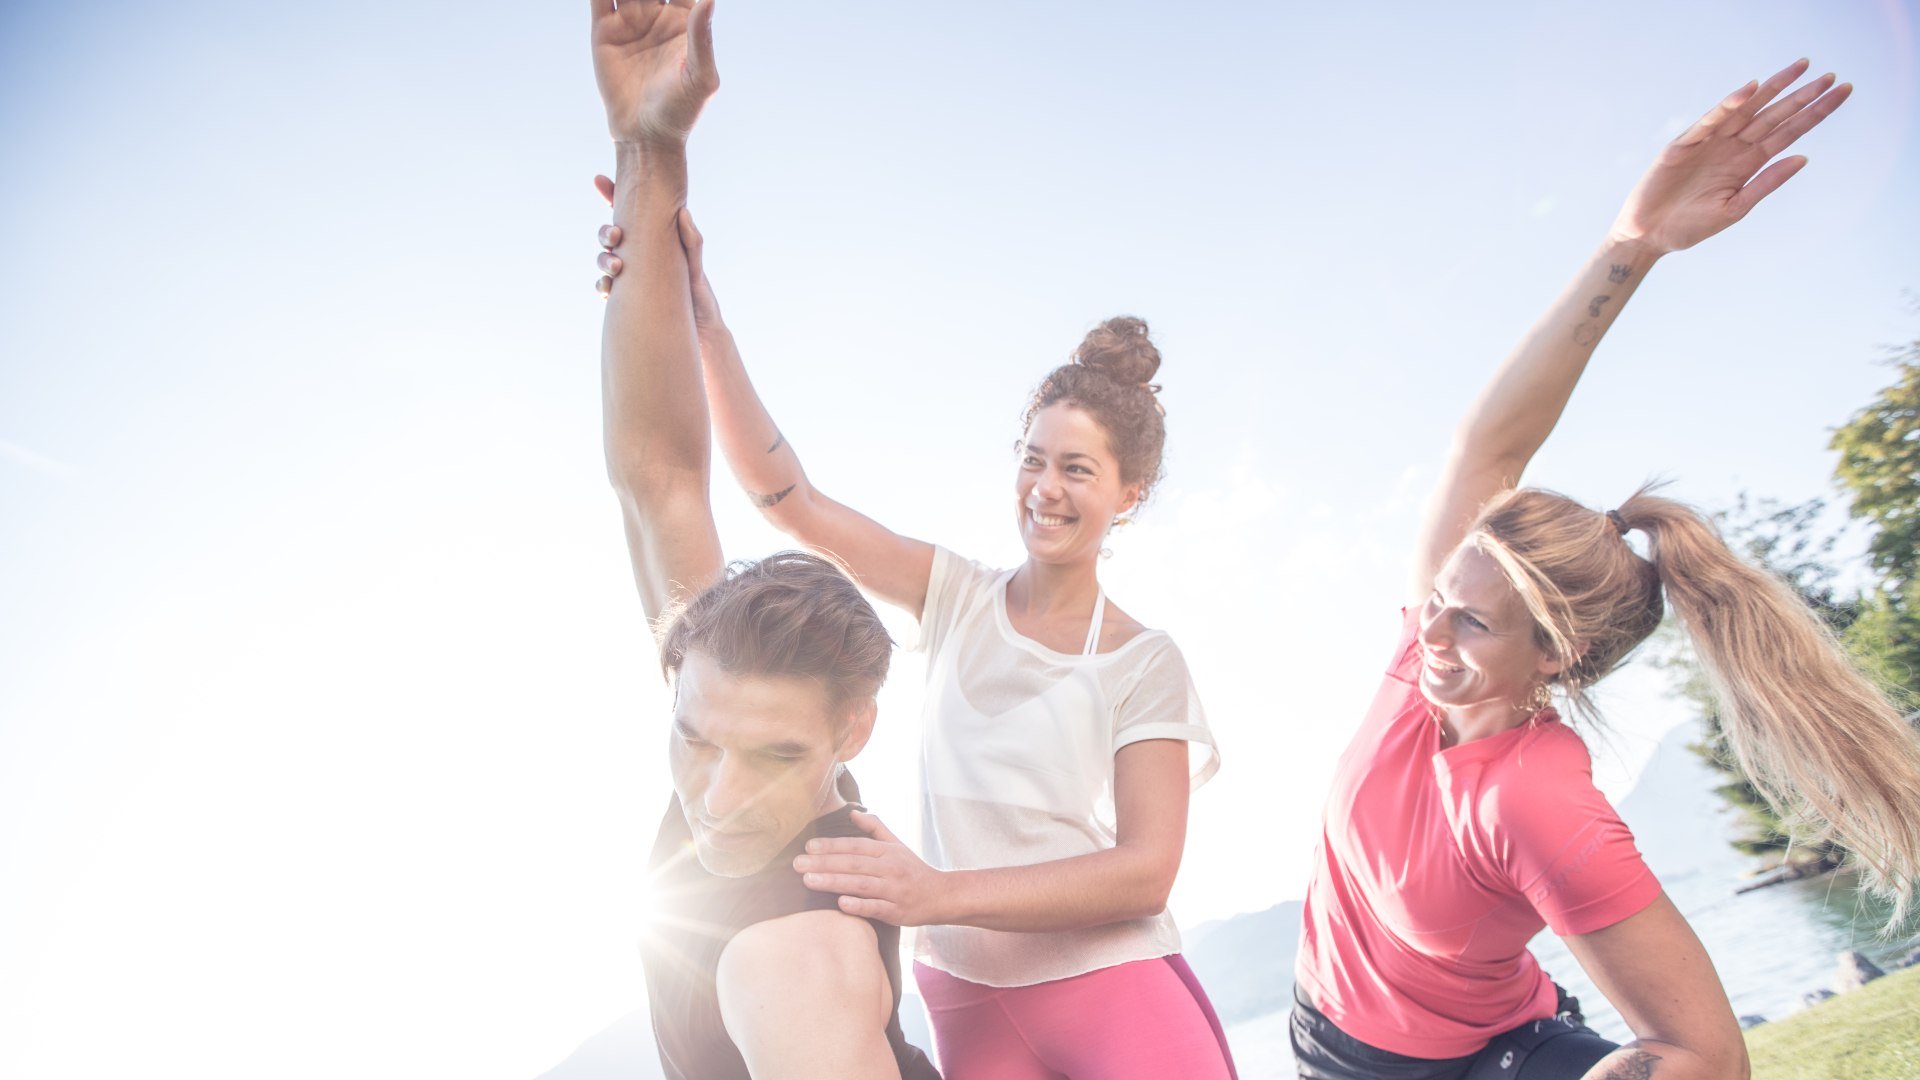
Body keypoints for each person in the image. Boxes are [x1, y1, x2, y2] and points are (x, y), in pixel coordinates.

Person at [1290, 60, 1920, 1080]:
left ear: (1557, 657)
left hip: (1490, 1059)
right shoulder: (1425, 665)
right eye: (1439, 600)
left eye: (1470, 623)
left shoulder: (1536, 800)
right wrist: (1634, 244)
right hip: (1332, 1041)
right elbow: (1487, 446)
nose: (1426, 632)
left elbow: (1707, 1057)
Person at [596, 114, 1236, 1080]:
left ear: (1127, 494)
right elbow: (784, 498)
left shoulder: (1144, 661)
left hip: (1105, 982)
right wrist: (705, 330)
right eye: (1033, 460)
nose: (1046, 489)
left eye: (1077, 469)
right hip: (967, 998)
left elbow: (1146, 871)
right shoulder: (957, 598)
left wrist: (937, 892)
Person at [587, 3, 939, 1078]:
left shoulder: (794, 960)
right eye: (696, 740)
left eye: (775, 757)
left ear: (853, 732)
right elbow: (656, 477)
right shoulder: (735, 690)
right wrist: (648, 151)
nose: (718, 799)